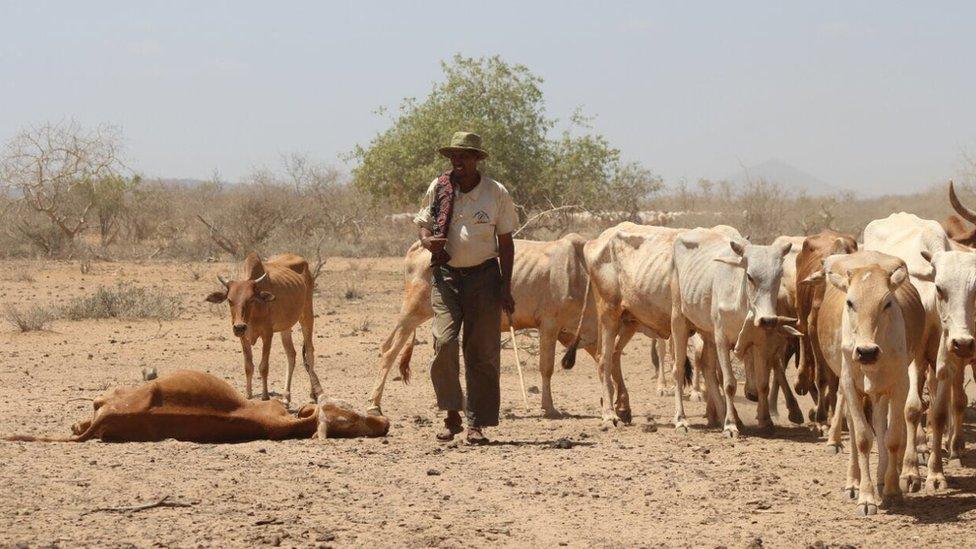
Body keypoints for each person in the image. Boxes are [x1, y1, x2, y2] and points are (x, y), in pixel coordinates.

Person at [413, 131, 518, 444]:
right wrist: (425, 240)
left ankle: (477, 423)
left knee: (481, 352)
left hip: (485, 278)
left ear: (476, 159)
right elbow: (424, 222)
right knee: (444, 342)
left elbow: (506, 241)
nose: (457, 162)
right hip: (446, 277)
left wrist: (506, 285)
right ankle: (451, 414)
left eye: (464, 156)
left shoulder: (495, 193)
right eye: (453, 157)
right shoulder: (440, 187)